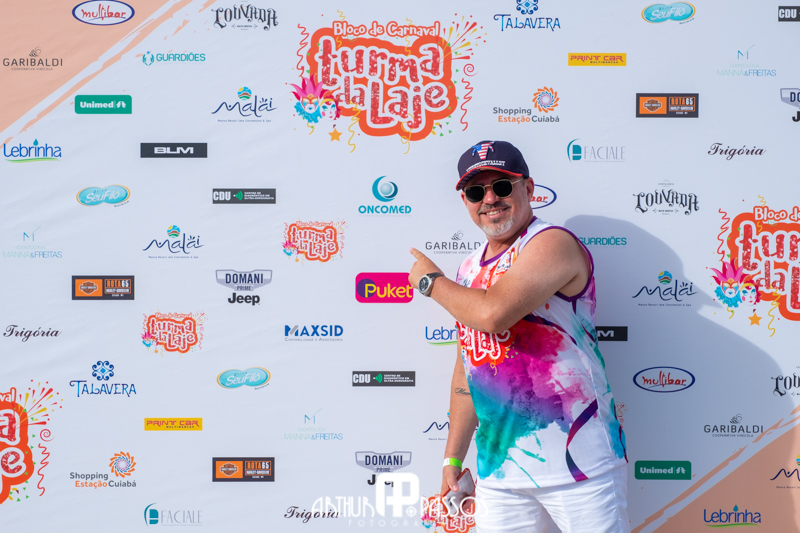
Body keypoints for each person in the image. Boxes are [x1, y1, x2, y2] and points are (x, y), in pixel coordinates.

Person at [409, 140, 629, 532]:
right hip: (500, 474)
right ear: (465, 201)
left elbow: (493, 314)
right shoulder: (468, 268)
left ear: (528, 188)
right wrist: (453, 458)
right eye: (476, 192)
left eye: (502, 186)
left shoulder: (552, 242)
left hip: (580, 467)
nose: (489, 199)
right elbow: (468, 368)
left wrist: (430, 282)